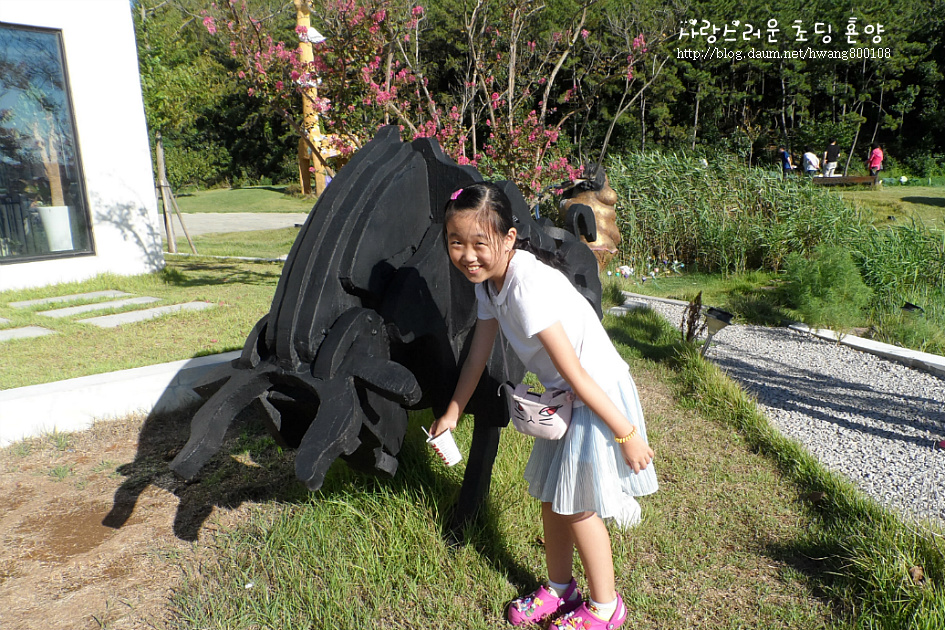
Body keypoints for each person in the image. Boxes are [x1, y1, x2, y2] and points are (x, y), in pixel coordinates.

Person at [430, 182, 657, 629]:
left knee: (577, 506)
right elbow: (479, 352)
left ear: (509, 238)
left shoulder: (525, 287)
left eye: (481, 243)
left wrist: (625, 432)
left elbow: (576, 371)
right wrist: (454, 410)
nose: (468, 255)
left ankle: (606, 608)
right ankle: (559, 588)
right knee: (554, 500)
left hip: (596, 393)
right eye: (457, 243)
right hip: (568, 396)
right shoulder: (491, 284)